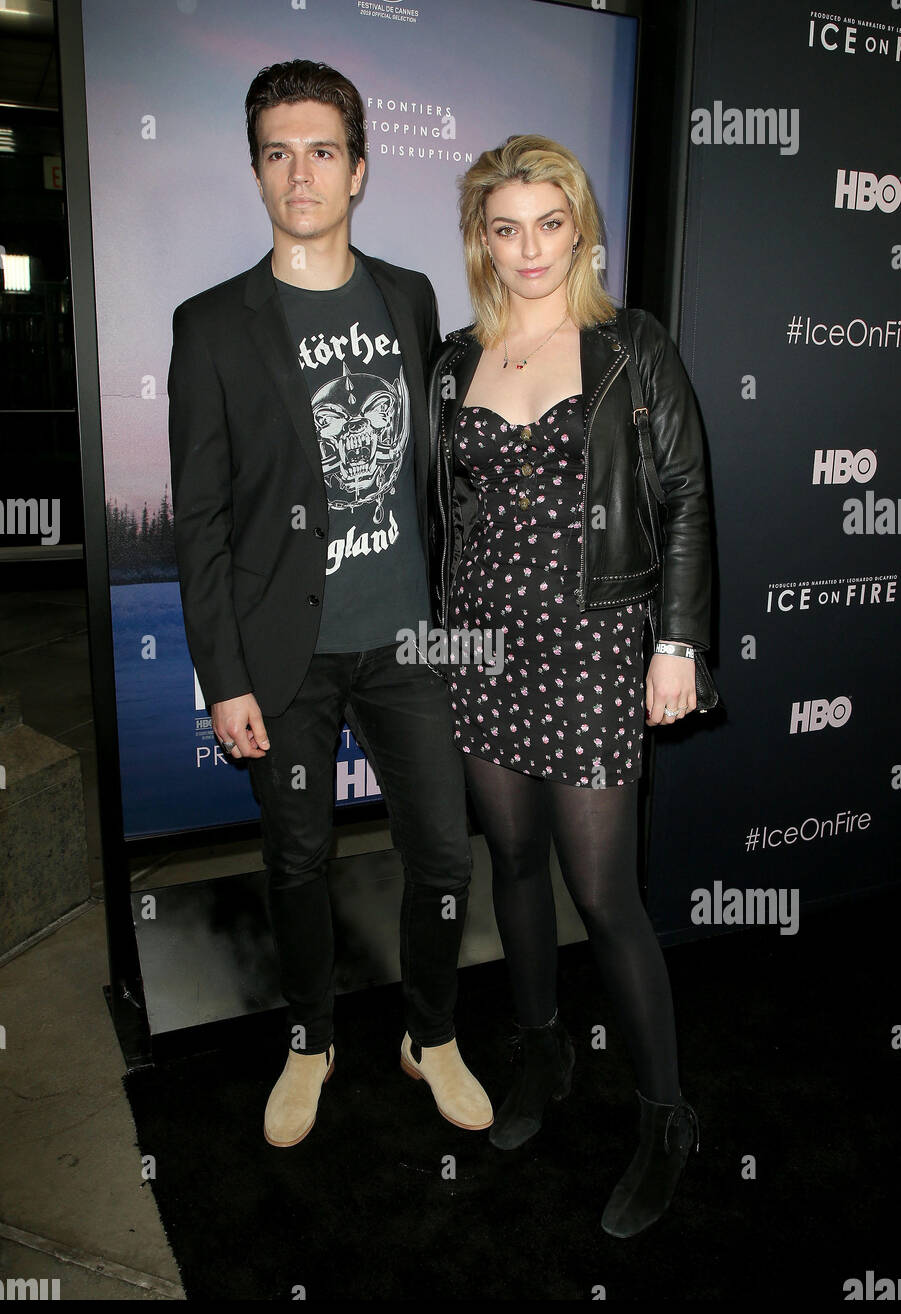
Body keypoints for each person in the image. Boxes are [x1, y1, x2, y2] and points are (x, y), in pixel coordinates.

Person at [168, 60, 492, 1148]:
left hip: (408, 641)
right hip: (285, 655)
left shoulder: (408, 295)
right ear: (256, 170)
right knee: (298, 858)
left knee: (445, 855)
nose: (297, 174)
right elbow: (200, 518)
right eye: (275, 151)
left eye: (320, 151)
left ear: (358, 169)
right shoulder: (210, 325)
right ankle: (310, 1038)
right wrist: (225, 677)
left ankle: (430, 1032)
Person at [427, 134, 717, 1237]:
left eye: (549, 222)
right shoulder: (456, 361)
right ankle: (540, 1055)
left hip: (596, 648)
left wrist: (677, 642)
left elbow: (685, 493)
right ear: (482, 241)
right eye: (505, 227)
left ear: (581, 228)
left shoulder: (630, 347)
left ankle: (663, 1117)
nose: (529, 247)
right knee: (509, 860)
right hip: (479, 646)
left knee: (603, 897)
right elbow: (436, 516)